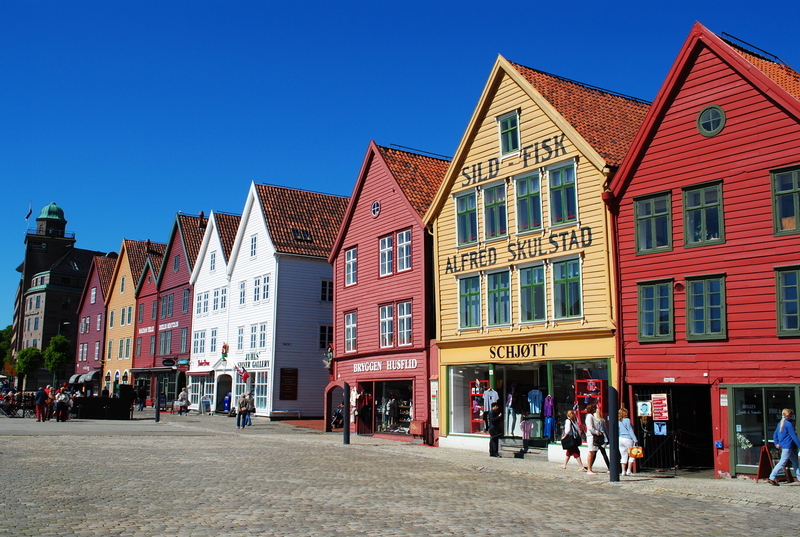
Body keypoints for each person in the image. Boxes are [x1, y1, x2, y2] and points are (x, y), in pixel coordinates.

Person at [768, 408, 800, 486]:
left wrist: (776, 443)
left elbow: (775, 434)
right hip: (787, 446)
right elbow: (794, 436)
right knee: (782, 462)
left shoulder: (780, 423)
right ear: (788, 415)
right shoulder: (788, 424)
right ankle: (772, 477)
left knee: (795, 462)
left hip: (785, 446)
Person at [585, 404, 611, 475]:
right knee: (591, 452)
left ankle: (590, 468)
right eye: (594, 408)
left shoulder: (592, 416)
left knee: (593, 452)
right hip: (592, 436)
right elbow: (590, 427)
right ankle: (589, 469)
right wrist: (597, 432)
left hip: (594, 436)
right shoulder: (589, 416)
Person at [618, 408, 639, 476]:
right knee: (632, 455)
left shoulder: (618, 421)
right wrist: (635, 439)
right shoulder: (627, 420)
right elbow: (630, 431)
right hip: (628, 439)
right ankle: (629, 470)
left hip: (621, 438)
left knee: (623, 455)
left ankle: (623, 471)